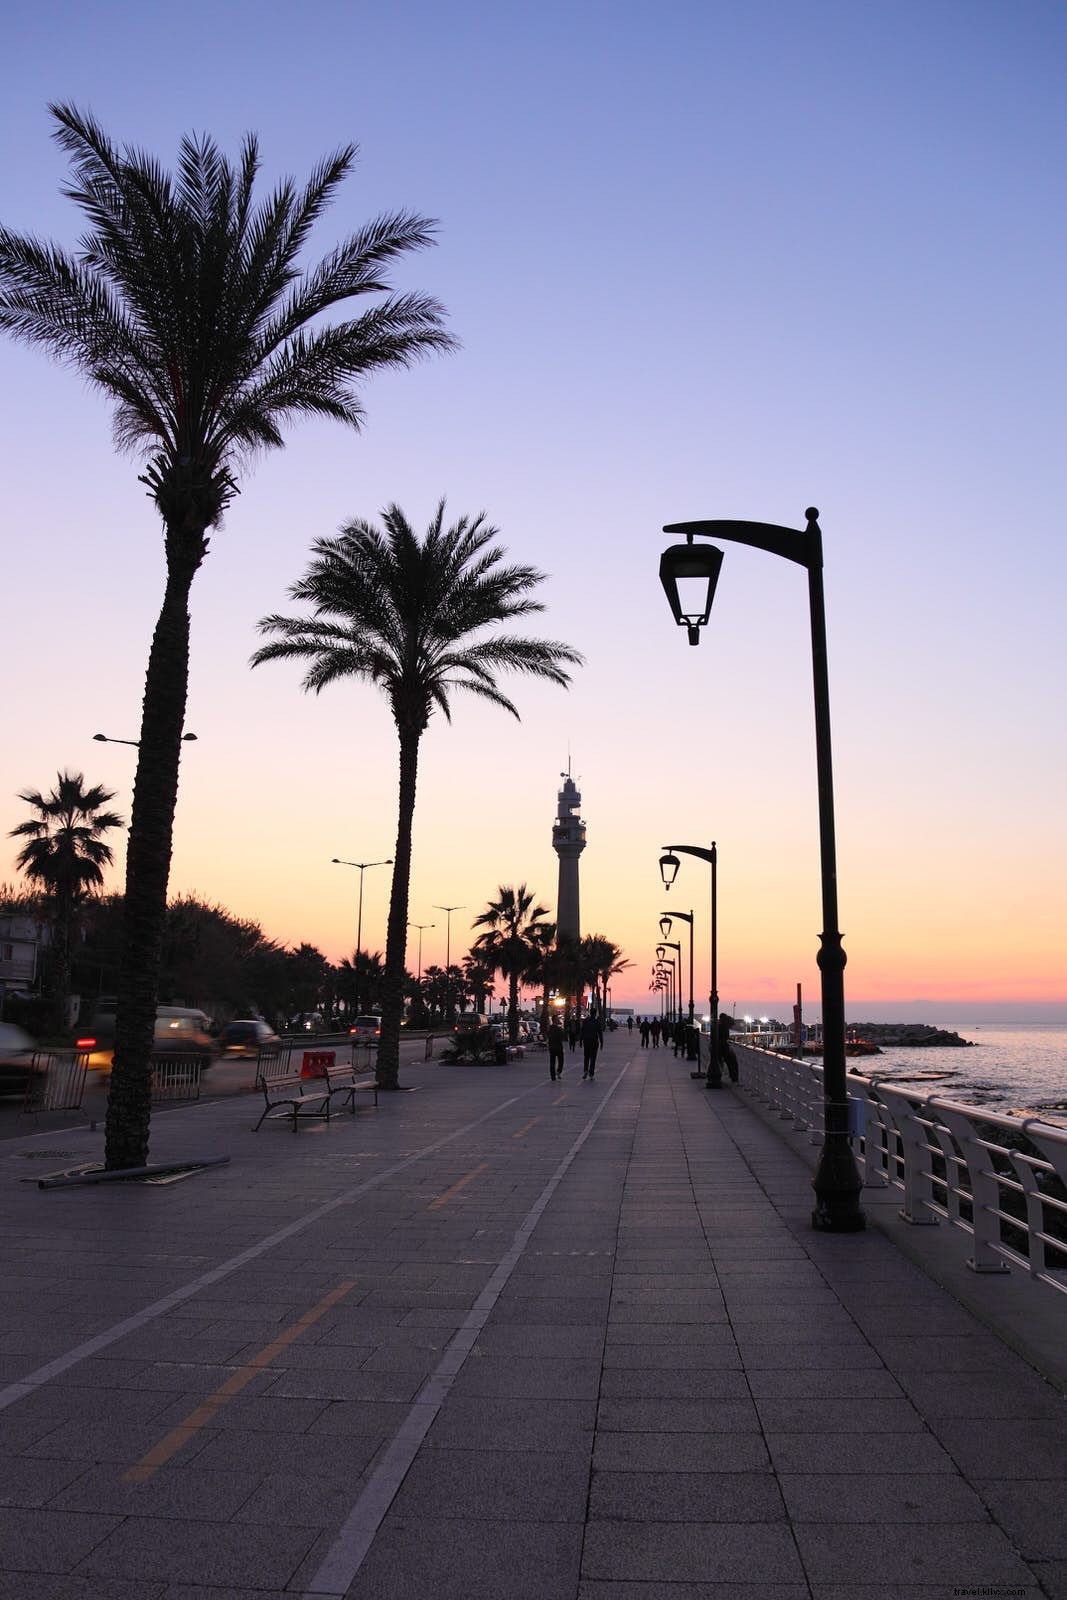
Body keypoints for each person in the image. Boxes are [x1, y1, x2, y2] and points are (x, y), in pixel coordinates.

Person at [581, 1011, 604, 1079]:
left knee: (586, 1057)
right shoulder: (597, 1022)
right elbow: (600, 1033)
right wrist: (601, 1043)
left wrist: (580, 1040)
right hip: (594, 1042)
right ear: (595, 1014)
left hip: (586, 1041)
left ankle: (585, 1070)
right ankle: (591, 1074)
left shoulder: (585, 1021)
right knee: (593, 1058)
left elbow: (583, 1031)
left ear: (590, 1013)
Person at [718, 1013, 739, 1082]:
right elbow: (724, 1038)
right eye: (731, 1026)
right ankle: (734, 1078)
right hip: (723, 1047)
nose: (731, 1027)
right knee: (732, 1062)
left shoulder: (719, 1025)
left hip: (719, 1046)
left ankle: (722, 1075)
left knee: (722, 1062)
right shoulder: (724, 1027)